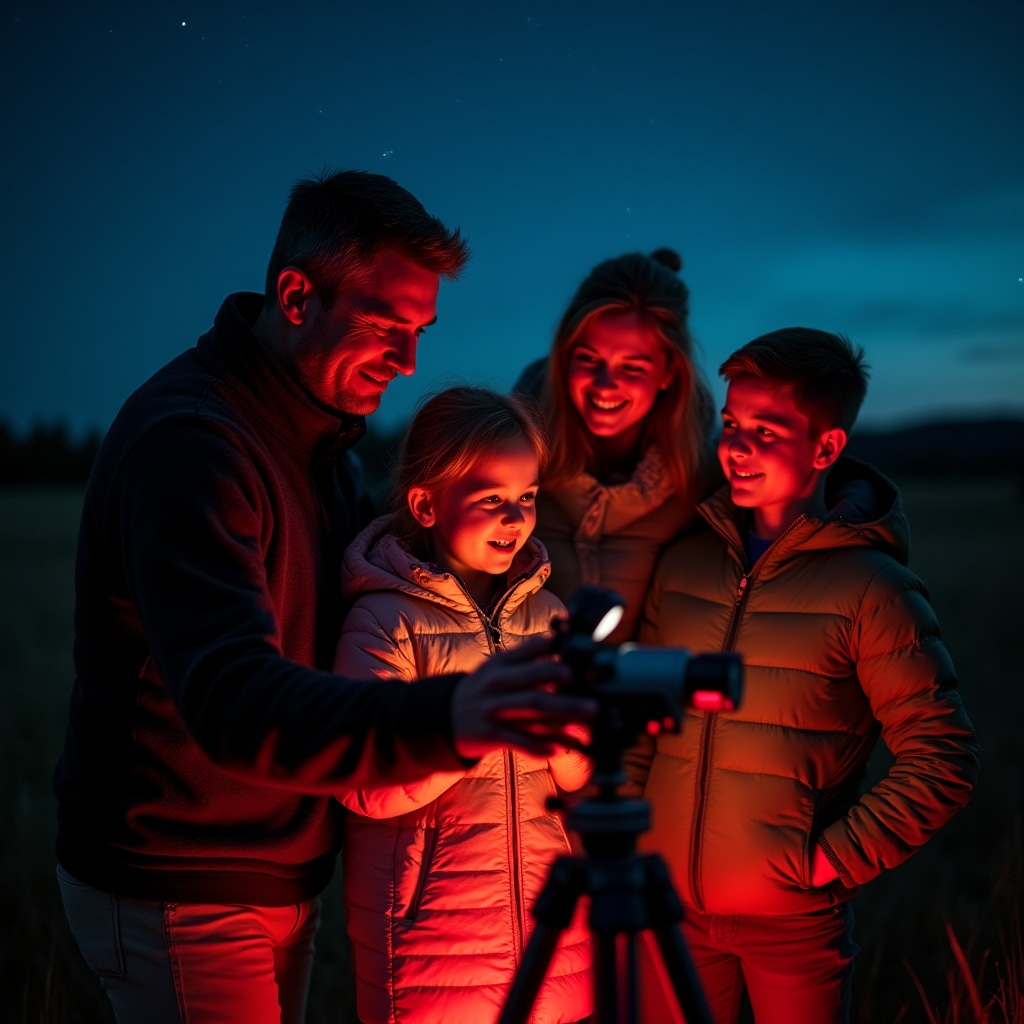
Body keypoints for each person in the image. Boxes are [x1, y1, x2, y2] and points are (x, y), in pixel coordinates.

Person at [52, 170, 594, 1024]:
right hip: (179, 874)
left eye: (422, 332)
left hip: (279, 870)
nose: (408, 361)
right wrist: (459, 715)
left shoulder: (323, 455)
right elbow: (233, 698)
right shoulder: (193, 445)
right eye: (386, 325)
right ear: (296, 295)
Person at [628, 328, 979, 1023]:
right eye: (731, 424)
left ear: (825, 449)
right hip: (668, 910)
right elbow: (643, 719)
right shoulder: (684, 563)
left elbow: (942, 758)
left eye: (767, 429)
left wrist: (823, 864)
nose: (738, 446)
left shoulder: (872, 587)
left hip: (791, 926)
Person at [333, 386, 593, 1024]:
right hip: (432, 950)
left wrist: (564, 735)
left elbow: (580, 771)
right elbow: (363, 781)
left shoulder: (551, 617)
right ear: (425, 504)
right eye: (492, 500)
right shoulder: (384, 622)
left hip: (553, 940)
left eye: (527, 497)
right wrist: (470, 729)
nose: (516, 518)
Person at [514, 248, 717, 643]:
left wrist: (852, 490)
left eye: (632, 367)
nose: (606, 384)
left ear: (668, 371)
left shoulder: (700, 477)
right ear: (564, 356)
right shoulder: (509, 458)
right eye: (589, 359)